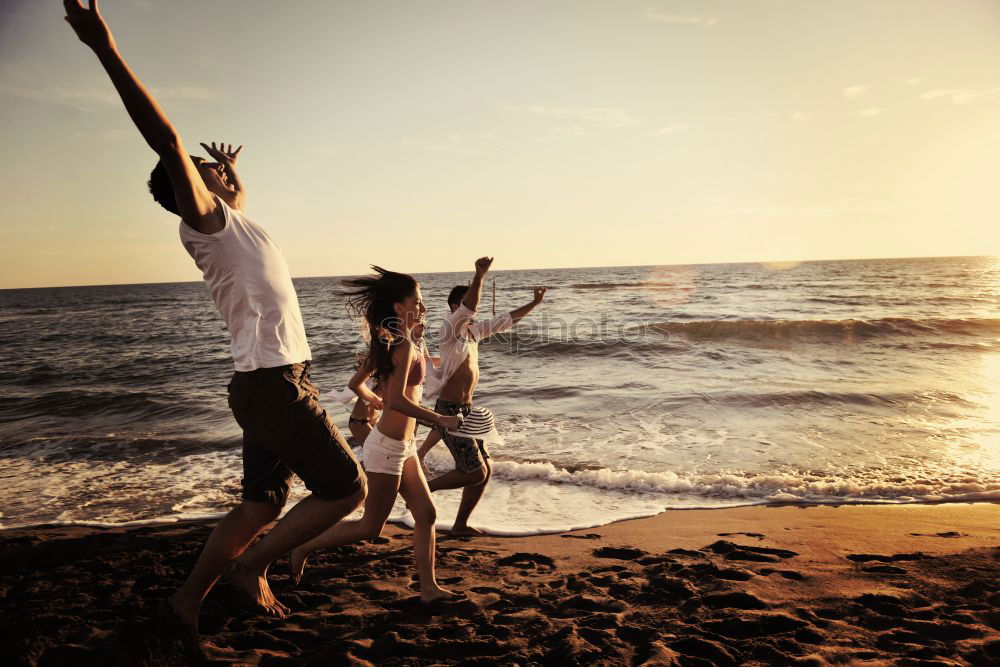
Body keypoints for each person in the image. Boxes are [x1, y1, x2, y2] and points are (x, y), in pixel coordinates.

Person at [63, 0, 366, 638]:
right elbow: (168, 141)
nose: (219, 177)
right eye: (208, 176)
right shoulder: (200, 222)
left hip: (268, 383)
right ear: (190, 191)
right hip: (274, 384)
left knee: (261, 502)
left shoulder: (233, 222)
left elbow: (236, 203)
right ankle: (250, 568)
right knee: (347, 489)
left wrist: (237, 178)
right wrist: (105, 49)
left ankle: (185, 602)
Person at [289, 268, 462, 602]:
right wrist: (439, 418)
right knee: (370, 528)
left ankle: (428, 589)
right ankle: (302, 545)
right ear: (399, 307)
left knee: (426, 514)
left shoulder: (399, 343)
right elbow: (398, 401)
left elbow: (365, 389)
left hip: (403, 445)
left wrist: (374, 399)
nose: (424, 307)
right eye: (419, 301)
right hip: (387, 448)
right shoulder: (401, 347)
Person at [418, 257, 546, 535]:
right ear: (455, 307)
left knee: (483, 472)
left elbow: (506, 320)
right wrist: (479, 276)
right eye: (464, 304)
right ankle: (423, 489)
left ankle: (460, 524)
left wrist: (534, 304)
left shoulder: (473, 333)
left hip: (468, 409)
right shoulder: (449, 330)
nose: (471, 309)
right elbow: (471, 306)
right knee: (474, 472)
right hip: (450, 411)